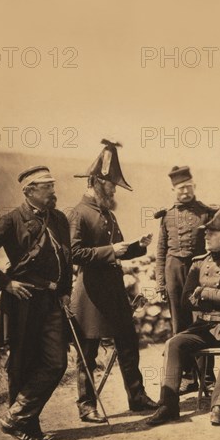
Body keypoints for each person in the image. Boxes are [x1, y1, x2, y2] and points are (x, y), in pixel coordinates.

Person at [0, 166, 72, 440]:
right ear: (29, 191)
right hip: (24, 302)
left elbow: (67, 259)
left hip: (51, 302)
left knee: (56, 362)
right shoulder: (12, 220)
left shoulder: (59, 219)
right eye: (46, 186)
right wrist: (6, 284)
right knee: (22, 365)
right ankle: (28, 428)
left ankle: (15, 416)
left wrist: (65, 292)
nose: (53, 191)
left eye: (53, 185)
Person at [68, 139, 157, 423]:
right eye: (111, 186)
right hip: (91, 295)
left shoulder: (108, 214)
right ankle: (86, 405)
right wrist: (110, 252)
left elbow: (119, 249)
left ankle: (137, 397)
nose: (114, 191)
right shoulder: (78, 214)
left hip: (114, 292)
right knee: (89, 352)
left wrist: (138, 246)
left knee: (128, 343)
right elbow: (74, 253)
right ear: (96, 184)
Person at [147, 204, 220, 427]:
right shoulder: (198, 263)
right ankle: (168, 405)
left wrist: (203, 292)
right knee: (174, 343)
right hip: (204, 326)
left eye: (211, 233)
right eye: (206, 232)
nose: (205, 235)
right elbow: (186, 300)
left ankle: (219, 405)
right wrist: (207, 296)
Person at [155, 166, 219, 392]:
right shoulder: (166, 215)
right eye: (180, 188)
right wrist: (160, 281)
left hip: (199, 272)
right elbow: (161, 250)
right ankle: (187, 377)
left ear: (194, 186)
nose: (185, 192)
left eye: (188, 187)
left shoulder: (206, 212)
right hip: (174, 272)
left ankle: (207, 378)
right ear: (173, 189)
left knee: (201, 322)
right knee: (179, 325)